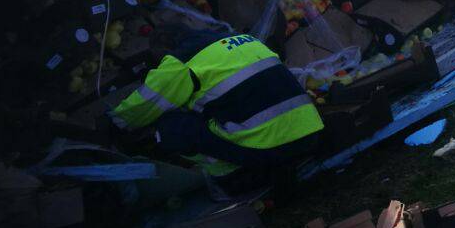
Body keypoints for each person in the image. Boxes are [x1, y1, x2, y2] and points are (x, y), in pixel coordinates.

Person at [110, 29, 324, 183]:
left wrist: (114, 122)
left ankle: (230, 175)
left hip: (269, 149)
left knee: (172, 126)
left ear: (167, 52)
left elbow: (146, 105)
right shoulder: (246, 39)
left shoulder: (182, 61)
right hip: (311, 132)